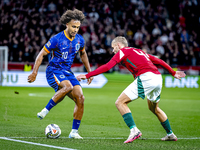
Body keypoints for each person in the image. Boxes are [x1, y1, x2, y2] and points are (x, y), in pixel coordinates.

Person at [77, 36, 186, 143]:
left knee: (120, 102)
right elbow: (158, 60)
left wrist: (87, 75)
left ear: (118, 45)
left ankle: (134, 130)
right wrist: (172, 72)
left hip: (146, 77)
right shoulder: (139, 51)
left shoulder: (122, 51)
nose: (113, 50)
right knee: (154, 108)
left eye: (113, 47)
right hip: (157, 78)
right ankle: (170, 134)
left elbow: (107, 67)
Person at [28, 9, 93, 139]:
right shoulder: (56, 39)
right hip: (53, 70)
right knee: (67, 87)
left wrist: (90, 72)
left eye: (78, 27)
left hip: (67, 72)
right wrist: (34, 72)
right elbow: (41, 54)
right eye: (73, 26)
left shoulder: (79, 40)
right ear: (67, 24)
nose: (75, 29)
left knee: (80, 98)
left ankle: (74, 132)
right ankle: (44, 111)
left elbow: (83, 54)